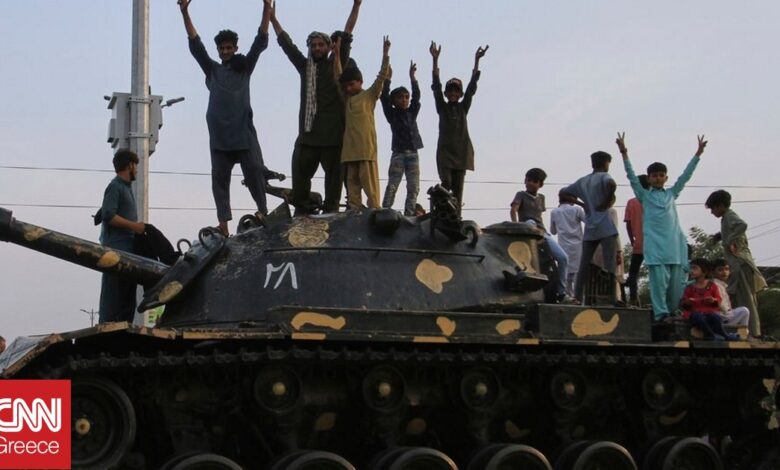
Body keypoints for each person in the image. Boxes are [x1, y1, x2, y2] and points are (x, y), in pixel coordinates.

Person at [179, 0, 274, 236]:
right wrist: (185, 12)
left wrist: (266, 8)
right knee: (219, 180)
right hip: (220, 136)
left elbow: (260, 40)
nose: (225, 52)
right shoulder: (213, 69)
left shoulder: (245, 67)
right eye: (221, 49)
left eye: (229, 48)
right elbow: (196, 45)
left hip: (242, 132)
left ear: (235, 48)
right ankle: (223, 224)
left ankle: (263, 211)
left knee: (254, 170)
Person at [271, 0, 363, 214]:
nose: (317, 48)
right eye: (313, 45)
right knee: (300, 178)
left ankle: (331, 215)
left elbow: (348, 32)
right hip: (308, 136)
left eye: (321, 45)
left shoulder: (336, 65)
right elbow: (286, 44)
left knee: (334, 185)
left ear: (329, 47)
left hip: (333, 137)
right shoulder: (305, 67)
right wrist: (272, 18)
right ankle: (303, 213)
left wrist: (356, 6)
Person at [617, 133, 706, 320]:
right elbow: (631, 177)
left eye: (661, 175)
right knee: (658, 283)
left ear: (666, 178)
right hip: (656, 248)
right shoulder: (644, 196)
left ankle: (673, 312)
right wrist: (624, 152)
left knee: (676, 286)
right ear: (649, 179)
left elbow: (686, 176)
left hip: (674, 247)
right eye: (654, 176)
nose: (658, 178)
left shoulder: (672, 194)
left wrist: (698, 154)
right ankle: (661, 314)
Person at [430, 41, 488, 213]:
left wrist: (477, 61)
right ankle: (439, 210)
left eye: (456, 92)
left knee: (458, 190)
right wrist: (435, 60)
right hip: (445, 152)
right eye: (450, 91)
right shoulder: (442, 107)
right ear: (446, 93)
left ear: (460, 94)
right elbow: (436, 87)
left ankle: (456, 217)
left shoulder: (463, 108)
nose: (453, 94)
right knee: (446, 183)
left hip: (462, 152)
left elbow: (471, 89)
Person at [334, 36, 391, 209]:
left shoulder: (369, 96)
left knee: (370, 187)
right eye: (346, 86)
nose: (348, 88)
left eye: (352, 84)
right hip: (350, 150)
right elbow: (337, 77)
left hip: (366, 149)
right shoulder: (347, 99)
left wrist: (385, 55)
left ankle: (375, 212)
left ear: (360, 82)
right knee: (352, 184)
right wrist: (336, 55)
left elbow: (381, 77)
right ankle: (355, 212)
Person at [706, 190, 767, 337]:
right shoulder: (725, 218)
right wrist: (720, 236)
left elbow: (742, 225)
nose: (712, 212)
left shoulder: (729, 215)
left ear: (720, 206)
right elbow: (732, 229)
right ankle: (741, 332)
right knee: (737, 299)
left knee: (746, 300)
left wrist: (729, 240)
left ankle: (753, 333)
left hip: (740, 264)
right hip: (737, 265)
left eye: (713, 208)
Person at [561, 151, 618, 303]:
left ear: (592, 163)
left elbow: (563, 192)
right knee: (610, 264)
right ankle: (611, 298)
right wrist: (606, 201)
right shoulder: (604, 176)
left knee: (584, 265)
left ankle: (578, 297)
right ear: (606, 163)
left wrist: (582, 203)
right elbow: (612, 184)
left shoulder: (583, 181)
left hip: (590, 228)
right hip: (606, 227)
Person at [510, 168, 572, 302]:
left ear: (540, 184)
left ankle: (561, 292)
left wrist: (542, 233)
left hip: (542, 231)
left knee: (563, 258)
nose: (530, 183)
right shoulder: (521, 194)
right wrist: (516, 226)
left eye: (534, 181)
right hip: (527, 228)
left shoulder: (541, 198)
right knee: (530, 222)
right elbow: (514, 210)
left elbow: (539, 216)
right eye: (528, 180)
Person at [99, 150, 145, 323]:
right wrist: (135, 226)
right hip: (116, 251)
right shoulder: (115, 187)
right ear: (130, 165)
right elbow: (109, 215)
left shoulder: (125, 188)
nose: (137, 170)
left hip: (128, 252)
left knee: (127, 297)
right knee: (114, 296)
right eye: (136, 166)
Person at [380, 60, 423, 216]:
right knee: (393, 184)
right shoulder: (392, 114)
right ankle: (385, 210)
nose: (404, 100)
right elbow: (384, 97)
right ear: (394, 101)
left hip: (413, 152)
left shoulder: (412, 112)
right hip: (398, 153)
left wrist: (413, 78)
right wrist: (388, 79)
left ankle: (409, 213)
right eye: (400, 97)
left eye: (406, 97)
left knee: (414, 186)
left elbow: (416, 97)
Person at [680, 258, 736, 341]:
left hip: (709, 313)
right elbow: (684, 303)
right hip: (696, 314)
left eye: (694, 268)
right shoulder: (690, 288)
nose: (691, 271)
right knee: (697, 316)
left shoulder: (712, 286)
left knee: (715, 317)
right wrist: (687, 302)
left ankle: (724, 335)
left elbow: (718, 300)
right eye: (691, 268)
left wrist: (713, 300)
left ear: (704, 271)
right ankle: (710, 335)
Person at [550, 189, 585, 297]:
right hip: (578, 246)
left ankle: (567, 296)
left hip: (563, 246)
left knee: (566, 273)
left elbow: (553, 231)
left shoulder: (554, 212)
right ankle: (578, 297)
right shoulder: (577, 210)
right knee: (577, 274)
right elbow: (588, 221)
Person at [624, 174, 649, 305]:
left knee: (633, 272)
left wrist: (632, 240)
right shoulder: (652, 200)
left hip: (639, 241)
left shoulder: (632, 202)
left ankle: (633, 298)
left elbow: (628, 224)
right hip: (654, 243)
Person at [711, 258, 751, 330]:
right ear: (713, 272)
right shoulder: (715, 285)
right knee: (744, 311)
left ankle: (738, 331)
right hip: (720, 315)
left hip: (724, 315)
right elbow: (719, 304)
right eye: (720, 270)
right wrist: (728, 312)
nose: (724, 272)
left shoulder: (721, 285)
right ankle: (742, 332)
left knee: (741, 311)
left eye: (727, 269)